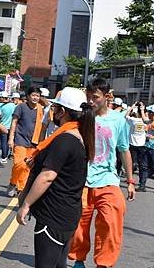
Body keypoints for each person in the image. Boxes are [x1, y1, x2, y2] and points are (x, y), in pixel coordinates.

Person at [16, 87, 95, 268]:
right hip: (67, 213)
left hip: (54, 215)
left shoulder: (65, 139)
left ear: (63, 111)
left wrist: (26, 204)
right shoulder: (79, 135)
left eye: (55, 108)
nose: (53, 112)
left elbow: (48, 176)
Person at [68, 78, 135, 268]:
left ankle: (104, 264)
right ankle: (78, 260)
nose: (91, 101)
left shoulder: (119, 120)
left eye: (95, 97)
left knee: (111, 221)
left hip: (108, 180)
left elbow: (124, 149)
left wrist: (130, 181)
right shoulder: (81, 117)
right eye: (88, 97)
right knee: (79, 224)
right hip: (81, 180)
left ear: (107, 97)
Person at [7, 87, 43, 197]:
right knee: (20, 164)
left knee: (28, 167)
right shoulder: (21, 107)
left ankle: (21, 188)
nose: (35, 97)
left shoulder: (41, 109)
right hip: (20, 140)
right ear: (28, 96)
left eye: (37, 95)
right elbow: (14, 122)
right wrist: (11, 138)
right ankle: (13, 182)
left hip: (34, 142)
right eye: (33, 95)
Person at [125, 102, 148, 186]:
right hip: (142, 145)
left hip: (133, 145)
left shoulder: (133, 120)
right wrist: (142, 108)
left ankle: (130, 180)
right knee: (142, 165)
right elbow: (145, 118)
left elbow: (126, 115)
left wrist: (132, 106)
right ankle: (142, 184)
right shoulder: (146, 121)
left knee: (131, 163)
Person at [0, 91, 17, 164]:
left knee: (3, 142)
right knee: (9, 141)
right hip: (12, 126)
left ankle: (4, 156)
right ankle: (8, 155)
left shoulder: (1, 107)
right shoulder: (13, 105)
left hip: (3, 126)